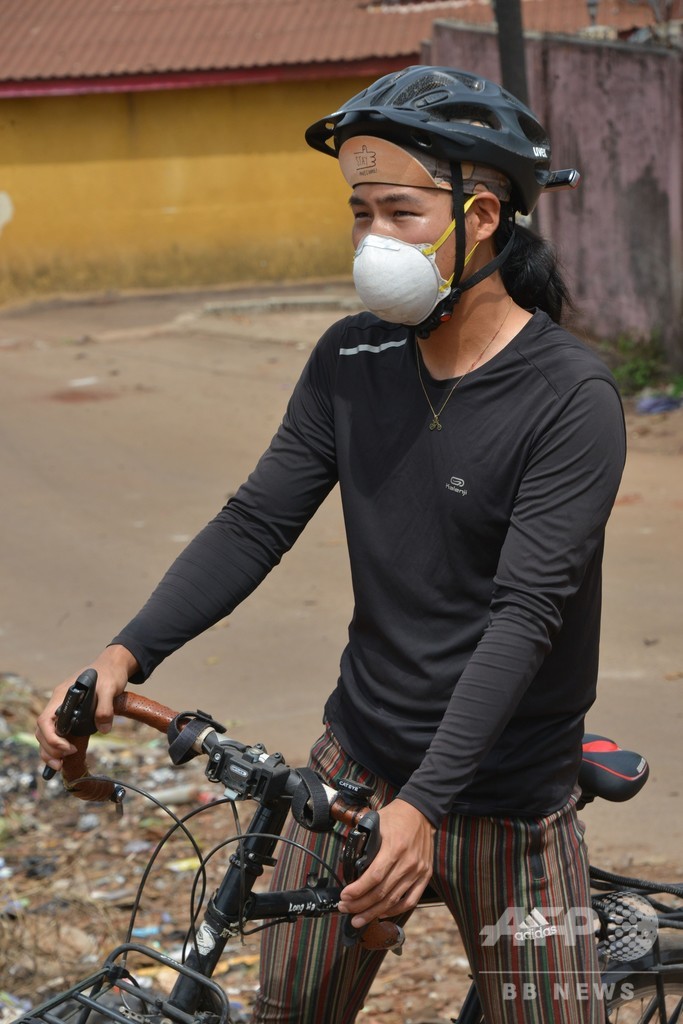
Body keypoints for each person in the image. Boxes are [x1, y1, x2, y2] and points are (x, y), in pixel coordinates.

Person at [36, 66, 626, 1023]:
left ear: (481, 216)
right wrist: (123, 653)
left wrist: (427, 806)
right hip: (354, 775)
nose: (370, 239)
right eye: (358, 211)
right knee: (287, 1011)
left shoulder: (568, 398)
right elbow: (253, 522)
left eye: (398, 211)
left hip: (511, 802)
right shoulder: (350, 360)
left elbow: (524, 617)